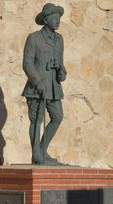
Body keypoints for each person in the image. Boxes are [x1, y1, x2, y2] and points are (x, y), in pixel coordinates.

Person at [22, 3, 67, 165]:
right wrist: (37, 81)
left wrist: (61, 71)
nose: (57, 21)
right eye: (54, 18)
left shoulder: (59, 40)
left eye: (59, 19)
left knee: (57, 117)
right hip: (37, 88)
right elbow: (27, 63)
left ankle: (42, 150)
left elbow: (61, 63)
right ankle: (36, 155)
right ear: (46, 20)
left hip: (54, 87)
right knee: (36, 120)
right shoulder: (34, 38)